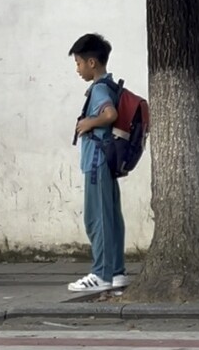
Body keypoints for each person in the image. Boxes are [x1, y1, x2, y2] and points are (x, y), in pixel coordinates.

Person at [67, 34, 129, 292]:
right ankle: (115, 271)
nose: (78, 69)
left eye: (79, 63)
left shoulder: (100, 88)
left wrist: (87, 123)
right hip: (106, 161)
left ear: (92, 62)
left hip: (97, 162)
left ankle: (100, 274)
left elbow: (110, 114)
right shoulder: (109, 85)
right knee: (111, 216)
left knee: (97, 219)